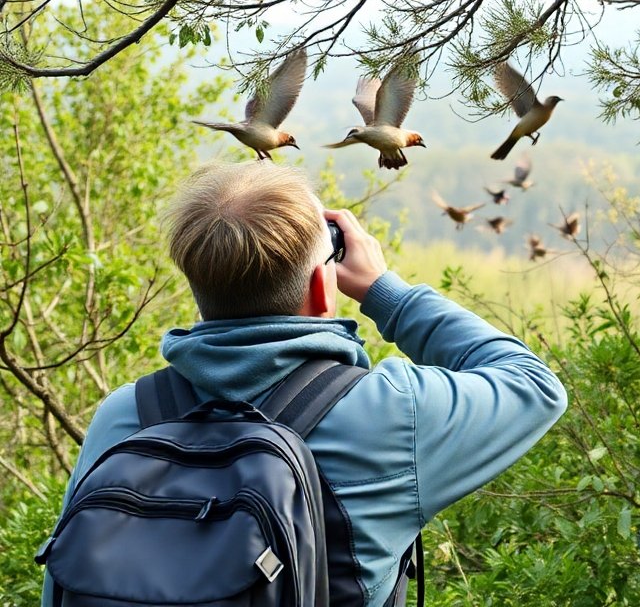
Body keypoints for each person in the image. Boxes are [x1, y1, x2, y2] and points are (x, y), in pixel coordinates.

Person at [42, 161, 568, 606]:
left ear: (196, 282)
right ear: (323, 284)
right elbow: (532, 383)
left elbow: (63, 581)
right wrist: (387, 293)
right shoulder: (392, 412)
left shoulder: (124, 415)